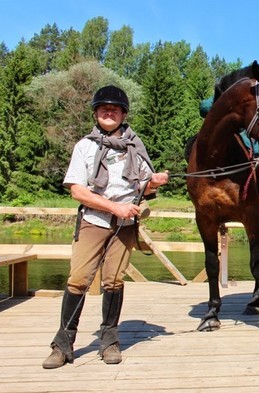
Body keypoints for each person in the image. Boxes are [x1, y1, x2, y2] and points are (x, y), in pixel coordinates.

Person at [42, 85, 169, 369]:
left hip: (125, 225)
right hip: (94, 221)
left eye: (114, 108)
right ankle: (62, 345)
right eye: (103, 108)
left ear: (124, 114)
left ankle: (109, 341)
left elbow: (142, 187)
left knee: (114, 281)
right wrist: (115, 208)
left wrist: (154, 182)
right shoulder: (84, 146)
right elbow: (77, 190)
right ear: (96, 114)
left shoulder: (136, 146)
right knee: (79, 279)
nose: (108, 112)